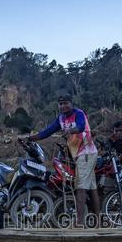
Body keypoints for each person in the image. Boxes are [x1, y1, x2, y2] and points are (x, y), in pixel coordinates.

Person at [27, 94, 99, 226]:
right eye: (60, 104)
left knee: (81, 187)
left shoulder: (79, 113)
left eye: (66, 103)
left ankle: (80, 223)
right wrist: (31, 138)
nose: (63, 106)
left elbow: (81, 126)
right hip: (77, 155)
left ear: (72, 103)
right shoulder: (60, 118)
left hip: (87, 152)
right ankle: (98, 219)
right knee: (92, 187)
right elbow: (47, 132)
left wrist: (71, 131)